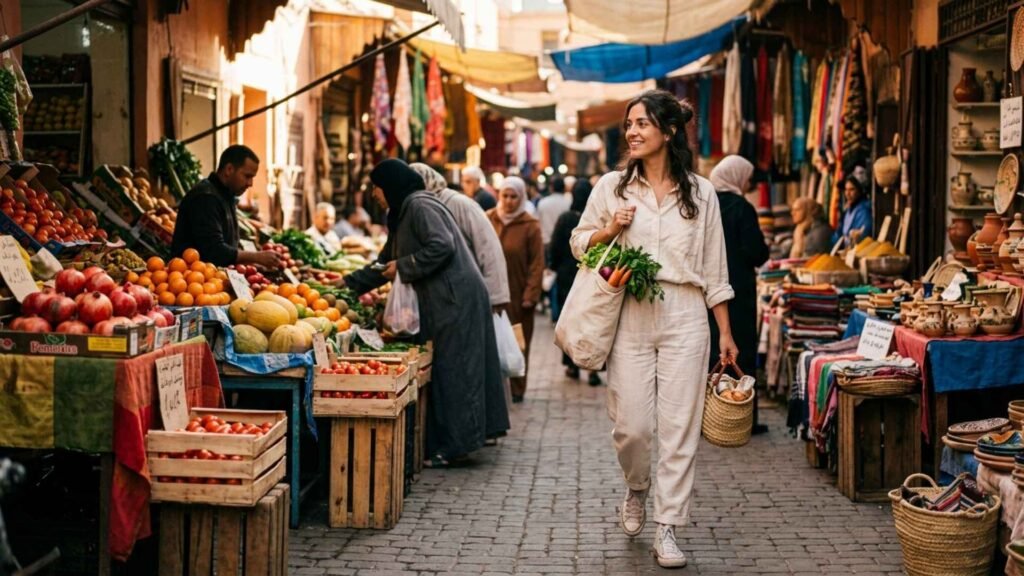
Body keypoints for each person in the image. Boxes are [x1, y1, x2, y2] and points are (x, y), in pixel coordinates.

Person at [569, 90, 736, 569]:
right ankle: (636, 486)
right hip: (630, 310)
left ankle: (668, 526)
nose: (632, 132)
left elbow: (715, 270)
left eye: (642, 123)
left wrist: (725, 333)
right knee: (633, 428)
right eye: (629, 124)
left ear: (668, 131)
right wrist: (609, 229)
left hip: (686, 314)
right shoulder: (612, 188)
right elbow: (578, 243)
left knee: (680, 428)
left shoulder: (701, 193)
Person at [339, 159, 509, 466]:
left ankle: (456, 447)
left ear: (390, 185)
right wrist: (348, 284)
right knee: (452, 367)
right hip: (444, 299)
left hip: (455, 298)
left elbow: (441, 245)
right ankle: (461, 437)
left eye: (377, 188)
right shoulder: (402, 212)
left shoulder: (419, 206)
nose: (375, 194)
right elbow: (385, 261)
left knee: (455, 369)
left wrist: (404, 267)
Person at [707, 155, 770, 434]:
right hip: (738, 292)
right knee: (739, 350)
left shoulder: (705, 204)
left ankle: (711, 416)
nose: (749, 183)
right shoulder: (742, 208)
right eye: (748, 178)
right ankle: (742, 419)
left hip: (709, 291)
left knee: (712, 351)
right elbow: (756, 252)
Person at [409, 162, 511, 309]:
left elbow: (488, 248)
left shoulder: (459, 203)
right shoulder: (421, 207)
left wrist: (496, 297)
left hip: (468, 294)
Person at [171, 145, 282, 269]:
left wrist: (251, 263)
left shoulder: (225, 195)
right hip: (190, 276)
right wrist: (256, 257)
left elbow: (226, 246)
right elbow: (214, 250)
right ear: (229, 169)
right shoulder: (206, 198)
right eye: (247, 176)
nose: (250, 183)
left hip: (209, 275)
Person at [487, 176, 544, 404]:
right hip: (492, 293)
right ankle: (496, 388)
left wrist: (531, 294)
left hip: (518, 294)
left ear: (521, 198)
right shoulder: (489, 218)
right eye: (505, 196)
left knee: (518, 342)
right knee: (492, 341)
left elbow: (537, 264)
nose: (509, 201)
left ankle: (518, 388)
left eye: (514, 197)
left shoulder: (530, 225)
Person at [550, 179, 601, 386]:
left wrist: (553, 266)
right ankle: (592, 369)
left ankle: (572, 364)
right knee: (592, 322)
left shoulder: (566, 219)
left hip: (567, 275)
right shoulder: (598, 220)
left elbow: (555, 247)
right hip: (592, 275)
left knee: (570, 321)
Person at [537, 176, 572, 259]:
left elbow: (539, 222)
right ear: (564, 188)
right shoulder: (569, 202)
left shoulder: (543, 203)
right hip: (564, 243)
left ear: (551, 187)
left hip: (546, 241)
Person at [834, 174, 872, 246]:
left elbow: (863, 235)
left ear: (859, 191)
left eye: (852, 189)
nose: (847, 193)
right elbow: (839, 234)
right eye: (846, 189)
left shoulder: (864, 210)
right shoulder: (848, 210)